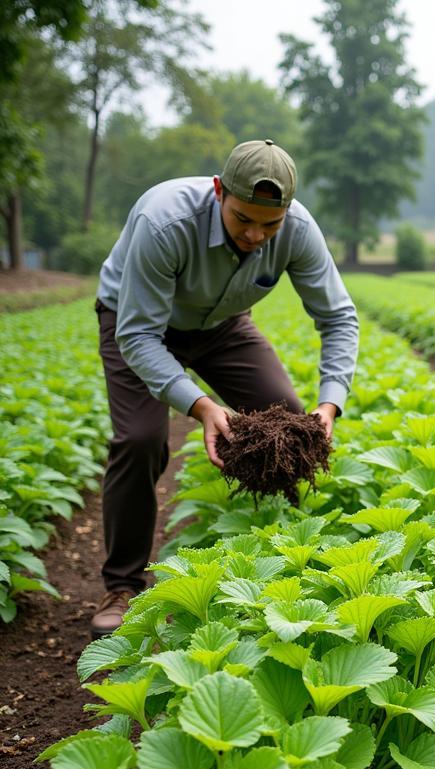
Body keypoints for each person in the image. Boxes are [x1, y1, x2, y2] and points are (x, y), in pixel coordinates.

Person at [91, 139, 358, 638]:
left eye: (269, 224)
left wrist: (330, 403)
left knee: (292, 423)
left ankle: (284, 560)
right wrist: (201, 406)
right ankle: (121, 585)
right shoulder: (164, 221)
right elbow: (138, 335)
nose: (256, 234)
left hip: (224, 327)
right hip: (139, 324)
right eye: (243, 220)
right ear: (219, 192)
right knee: (141, 439)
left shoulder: (297, 229)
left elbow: (338, 317)